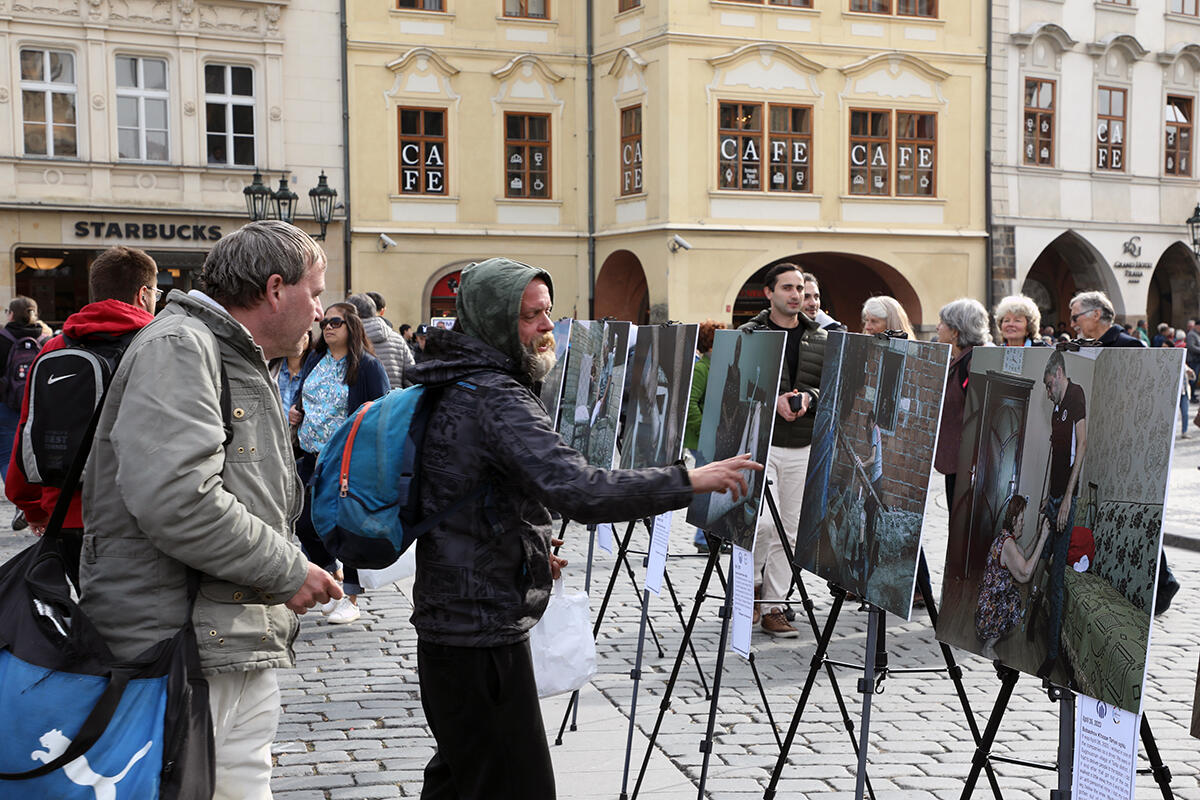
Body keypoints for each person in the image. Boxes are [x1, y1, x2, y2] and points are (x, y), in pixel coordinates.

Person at [406, 257, 761, 799]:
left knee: (462, 777)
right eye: (530, 317)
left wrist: (527, 542)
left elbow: (468, 498)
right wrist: (687, 479)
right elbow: (581, 490)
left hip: (455, 616)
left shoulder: (457, 379)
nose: (547, 327)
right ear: (493, 322)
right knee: (512, 787)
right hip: (476, 628)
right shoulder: (496, 396)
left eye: (548, 312)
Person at [78, 220, 342, 799]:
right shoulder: (182, 346)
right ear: (276, 289)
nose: (322, 310)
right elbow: (178, 499)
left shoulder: (231, 352)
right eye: (316, 292)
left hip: (227, 635)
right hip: (181, 640)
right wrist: (288, 569)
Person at [5, 246, 159, 555]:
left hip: (65, 515)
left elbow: (29, 430)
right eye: (157, 291)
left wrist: (33, 508)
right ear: (143, 294)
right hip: (139, 517)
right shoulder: (158, 344)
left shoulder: (54, 348)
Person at [1067, 291, 1181, 614]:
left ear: (1099, 314)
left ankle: (1163, 581)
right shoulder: (1083, 350)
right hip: (1098, 445)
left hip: (1127, 447)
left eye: (1076, 316)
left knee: (1143, 527)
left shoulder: (1131, 347)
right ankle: (1157, 580)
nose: (1072, 323)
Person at [740, 265, 827, 637]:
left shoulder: (820, 338)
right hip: (760, 443)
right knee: (759, 525)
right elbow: (736, 387)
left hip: (802, 445)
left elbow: (833, 388)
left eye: (801, 289)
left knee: (789, 531)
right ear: (769, 293)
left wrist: (809, 398)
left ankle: (774, 605)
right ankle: (753, 587)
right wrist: (768, 401)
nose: (796, 295)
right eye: (788, 288)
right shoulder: (749, 335)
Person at [289, 303, 389, 624]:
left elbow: (382, 412)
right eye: (325, 322)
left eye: (336, 322)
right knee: (304, 523)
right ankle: (333, 573)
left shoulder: (367, 366)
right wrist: (296, 410)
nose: (328, 327)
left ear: (351, 327)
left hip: (346, 459)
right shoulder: (316, 360)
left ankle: (351, 597)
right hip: (311, 457)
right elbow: (307, 398)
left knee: (347, 525)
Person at [1033, 348, 1086, 679]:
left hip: (1067, 500)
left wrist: (1066, 500)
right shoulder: (1055, 408)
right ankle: (1036, 629)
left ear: (1057, 375)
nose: (1047, 392)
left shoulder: (1076, 395)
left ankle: (1052, 655)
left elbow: (1082, 446)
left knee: (1055, 580)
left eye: (1048, 385)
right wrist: (1046, 499)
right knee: (1039, 563)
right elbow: (1056, 455)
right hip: (1052, 499)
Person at [934, 298, 992, 510]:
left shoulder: (973, 363)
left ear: (956, 332)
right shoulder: (957, 360)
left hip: (968, 467)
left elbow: (981, 413)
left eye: (942, 323)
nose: (937, 327)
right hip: (957, 462)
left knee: (962, 526)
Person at [976, 495, 1049, 660]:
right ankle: (987, 648)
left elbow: (1024, 555)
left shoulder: (1005, 538)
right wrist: (1043, 539)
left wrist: (1038, 534)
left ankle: (989, 636)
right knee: (1014, 599)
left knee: (1012, 593)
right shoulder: (1008, 544)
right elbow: (1025, 574)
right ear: (1014, 520)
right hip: (988, 611)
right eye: (1021, 519)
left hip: (986, 603)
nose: (1023, 523)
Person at [0, 297, 51, 509]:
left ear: (11, 314)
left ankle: (21, 503)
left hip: (5, 403)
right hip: (37, 404)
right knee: (34, 452)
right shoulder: (46, 338)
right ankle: (34, 496)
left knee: (5, 454)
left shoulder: (2, 337)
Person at [686, 319, 726, 553]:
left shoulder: (716, 366)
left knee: (714, 486)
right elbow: (690, 403)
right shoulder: (702, 369)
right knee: (708, 487)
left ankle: (710, 535)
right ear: (711, 344)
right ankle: (702, 538)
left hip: (713, 437)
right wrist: (705, 430)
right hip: (702, 439)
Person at [346, 292, 414, 389]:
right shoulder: (398, 339)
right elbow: (411, 377)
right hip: (393, 401)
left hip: (359, 403)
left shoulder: (347, 338)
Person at [1186, 318, 1200, 402]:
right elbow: (1191, 347)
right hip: (1193, 359)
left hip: (1197, 359)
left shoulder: (1197, 334)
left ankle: (1193, 394)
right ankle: (1191, 396)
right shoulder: (1192, 334)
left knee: (1195, 377)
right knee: (1192, 378)